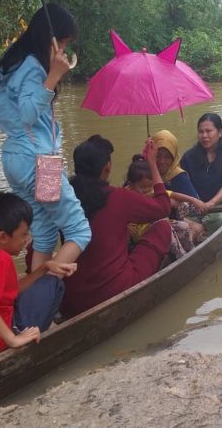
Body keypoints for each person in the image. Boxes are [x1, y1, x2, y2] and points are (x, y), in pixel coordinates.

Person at [0, 4, 91, 272]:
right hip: (38, 162)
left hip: (16, 159)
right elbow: (27, 113)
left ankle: (33, 305)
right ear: (48, 37)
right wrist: (53, 76)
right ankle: (40, 299)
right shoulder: (34, 67)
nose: (62, 50)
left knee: (46, 232)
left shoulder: (14, 63)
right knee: (79, 231)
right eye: (62, 42)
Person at [0, 192, 77, 365]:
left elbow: (12, 291)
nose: (27, 239)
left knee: (44, 280)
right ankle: (35, 339)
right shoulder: (1, 260)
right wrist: (12, 339)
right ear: (3, 237)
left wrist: (44, 267)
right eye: (24, 234)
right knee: (54, 284)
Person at [62, 135, 173, 318]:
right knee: (163, 226)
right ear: (107, 167)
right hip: (113, 290)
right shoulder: (118, 197)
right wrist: (152, 164)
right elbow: (164, 207)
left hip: (71, 298)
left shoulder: (63, 198)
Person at [180, 113, 222, 232]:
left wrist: (211, 203)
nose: (204, 135)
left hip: (221, 206)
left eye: (209, 131)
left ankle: (199, 228)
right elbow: (181, 181)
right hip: (195, 207)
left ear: (220, 132)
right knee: (174, 218)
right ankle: (200, 228)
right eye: (201, 132)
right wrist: (196, 203)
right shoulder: (189, 156)